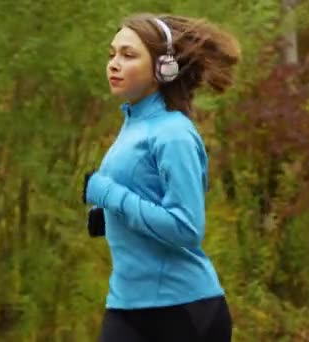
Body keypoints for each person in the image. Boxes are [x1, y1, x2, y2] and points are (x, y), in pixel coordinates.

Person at [81, 12, 241, 342]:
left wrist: (110, 196)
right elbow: (144, 197)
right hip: (126, 304)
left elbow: (186, 227)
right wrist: (108, 217)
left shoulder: (173, 133)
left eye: (128, 55)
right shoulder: (133, 124)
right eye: (112, 54)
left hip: (182, 311)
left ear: (163, 67)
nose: (113, 64)